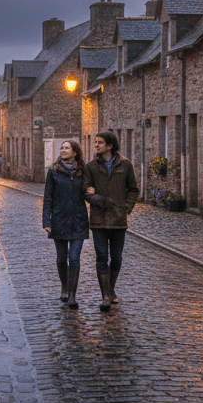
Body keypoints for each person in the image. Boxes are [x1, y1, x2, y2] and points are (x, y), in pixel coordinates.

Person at [83, 131, 139, 312]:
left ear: (110, 146)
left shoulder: (125, 164)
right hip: (99, 220)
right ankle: (106, 296)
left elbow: (133, 189)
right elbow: (86, 191)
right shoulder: (90, 167)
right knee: (101, 257)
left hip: (118, 220)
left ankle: (111, 288)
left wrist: (126, 208)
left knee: (116, 258)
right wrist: (100, 200)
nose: (96, 145)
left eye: (100, 143)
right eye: (95, 142)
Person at [42, 139, 88, 309]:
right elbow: (48, 198)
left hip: (78, 221)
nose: (63, 150)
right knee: (62, 258)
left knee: (74, 257)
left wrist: (92, 192)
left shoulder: (82, 171)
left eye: (67, 148)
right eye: (62, 148)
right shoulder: (53, 171)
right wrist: (47, 221)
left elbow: (87, 190)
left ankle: (72, 295)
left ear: (75, 152)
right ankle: (64, 286)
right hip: (59, 220)